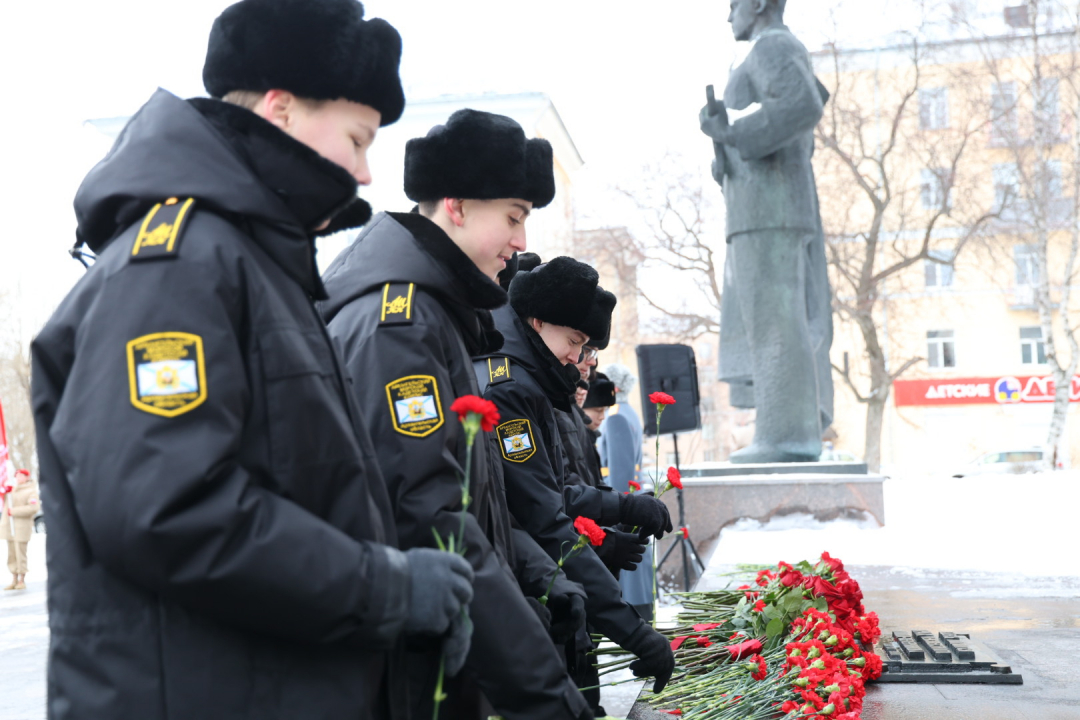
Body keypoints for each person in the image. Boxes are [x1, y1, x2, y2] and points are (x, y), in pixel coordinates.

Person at [30, 2, 474, 719]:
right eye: (359, 139)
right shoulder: (177, 262)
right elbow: (165, 507)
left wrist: (405, 618)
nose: (365, 174)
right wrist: (386, 588)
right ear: (282, 108)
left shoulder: (250, 262)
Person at [320, 109, 591, 720]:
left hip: (443, 649)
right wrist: (546, 693)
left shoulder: (432, 314)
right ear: (457, 206)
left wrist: (540, 579)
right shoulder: (402, 323)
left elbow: (474, 504)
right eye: (514, 217)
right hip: (409, 672)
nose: (521, 241)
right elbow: (428, 517)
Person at [475, 258, 676, 698]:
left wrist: (617, 513)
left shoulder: (529, 378)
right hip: (526, 591)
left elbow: (554, 489)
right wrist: (633, 630)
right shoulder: (509, 387)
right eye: (574, 341)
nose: (577, 357)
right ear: (539, 320)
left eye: (584, 346)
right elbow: (542, 516)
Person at [699, 0, 834, 463]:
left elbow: (802, 105)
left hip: (769, 210)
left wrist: (733, 131)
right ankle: (782, 433)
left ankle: (786, 438)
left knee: (776, 322)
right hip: (762, 206)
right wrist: (723, 141)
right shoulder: (767, 49)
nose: (728, 14)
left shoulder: (773, 46)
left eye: (733, 4)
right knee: (768, 321)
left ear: (758, 3)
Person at [598, 363, 656, 621]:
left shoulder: (616, 416)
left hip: (622, 502)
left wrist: (617, 510)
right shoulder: (626, 411)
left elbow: (620, 472)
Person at [1, 469, 38, 591]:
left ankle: (22, 579)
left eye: (21, 476)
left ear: (27, 477)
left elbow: (33, 507)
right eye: (17, 476)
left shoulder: (30, 491)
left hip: (21, 527)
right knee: (12, 555)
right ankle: (14, 578)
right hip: (10, 528)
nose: (19, 478)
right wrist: (6, 491)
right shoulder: (12, 491)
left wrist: (15, 512)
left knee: (20, 554)